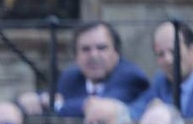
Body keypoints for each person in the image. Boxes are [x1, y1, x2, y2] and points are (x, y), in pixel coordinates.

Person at [17, 21, 149, 118]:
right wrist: (35, 99)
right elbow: (54, 96)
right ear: (76, 57)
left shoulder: (131, 77)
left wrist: (55, 105)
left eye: (101, 48)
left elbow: (99, 108)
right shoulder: (70, 77)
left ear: (116, 53)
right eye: (85, 49)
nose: (94, 56)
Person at [128, 20, 193, 120]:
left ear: (192, 49)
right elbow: (134, 112)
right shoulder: (161, 82)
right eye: (161, 54)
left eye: (173, 51)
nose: (168, 60)